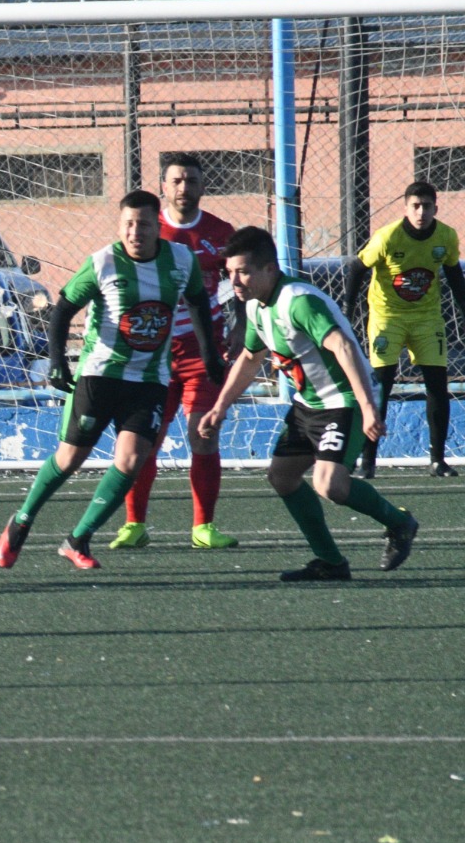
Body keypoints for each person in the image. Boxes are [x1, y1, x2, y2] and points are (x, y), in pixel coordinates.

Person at [0, 190, 223, 570]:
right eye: (128, 224)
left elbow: (198, 300)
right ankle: (21, 522)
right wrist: (57, 363)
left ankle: (78, 539)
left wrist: (209, 354)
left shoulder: (180, 260)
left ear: (157, 227)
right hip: (100, 375)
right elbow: (63, 308)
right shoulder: (103, 263)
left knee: (133, 460)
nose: (136, 232)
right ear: (121, 226)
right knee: (69, 459)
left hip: (149, 378)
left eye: (144, 224)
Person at [198, 226, 418, 580]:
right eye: (229, 273)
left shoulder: (297, 301)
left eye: (242, 271)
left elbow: (343, 347)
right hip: (308, 405)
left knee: (330, 484)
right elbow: (251, 358)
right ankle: (331, 562)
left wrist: (366, 407)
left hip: (342, 400)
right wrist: (220, 407)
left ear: (269, 269)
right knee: (281, 477)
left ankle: (400, 522)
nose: (234, 281)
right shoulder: (256, 305)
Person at [109, 153, 242, 552]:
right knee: (143, 441)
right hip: (152, 354)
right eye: (177, 181)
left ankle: (204, 526)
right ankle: (134, 524)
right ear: (163, 187)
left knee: (203, 434)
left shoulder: (221, 232)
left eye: (191, 181)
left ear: (203, 186)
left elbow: (240, 283)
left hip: (203, 352)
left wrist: (243, 328)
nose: (184, 188)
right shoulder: (147, 229)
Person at [353, 180, 465, 478]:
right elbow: (357, 269)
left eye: (426, 206)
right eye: (415, 206)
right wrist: (347, 314)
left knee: (438, 387)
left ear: (435, 208)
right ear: (406, 208)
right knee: (381, 387)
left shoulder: (446, 236)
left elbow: (454, 273)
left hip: (427, 319)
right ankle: (367, 462)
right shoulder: (387, 237)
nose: (421, 212)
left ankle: (438, 460)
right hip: (388, 317)